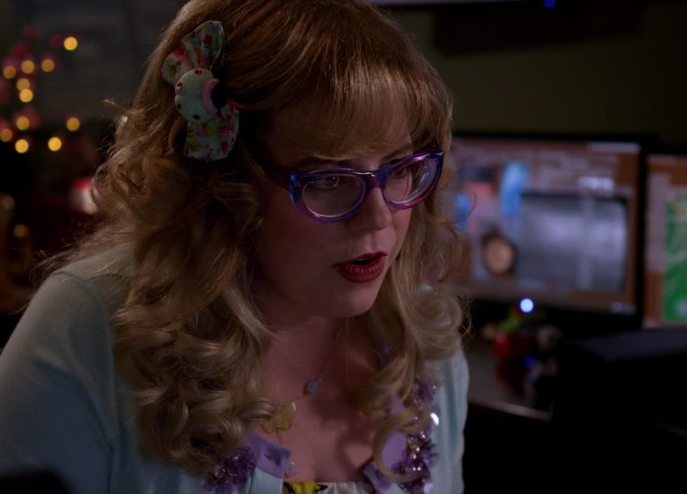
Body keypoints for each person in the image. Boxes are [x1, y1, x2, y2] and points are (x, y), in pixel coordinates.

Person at [0, 1, 470, 493]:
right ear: (225, 185)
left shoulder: (424, 345)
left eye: (400, 169)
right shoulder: (92, 329)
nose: (379, 217)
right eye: (329, 179)